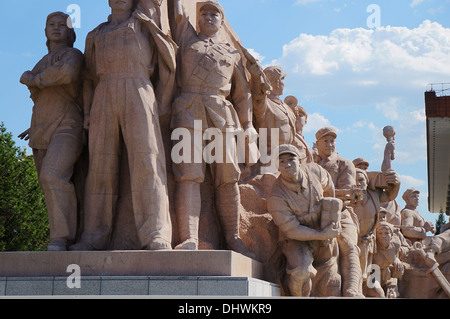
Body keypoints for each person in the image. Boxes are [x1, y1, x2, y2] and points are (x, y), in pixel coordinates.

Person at [71, 0, 175, 251]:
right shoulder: (95, 34)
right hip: (104, 92)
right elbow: (87, 77)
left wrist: (162, 103)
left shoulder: (144, 24)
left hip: (138, 88)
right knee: (100, 165)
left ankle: (156, 233)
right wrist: (87, 110)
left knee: (147, 161)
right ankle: (94, 236)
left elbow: (167, 60)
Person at [170, 0, 256, 257]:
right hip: (188, 111)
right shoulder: (186, 38)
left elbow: (243, 95)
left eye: (214, 14)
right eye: (204, 13)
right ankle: (189, 238)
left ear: (221, 20)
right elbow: (176, 11)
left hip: (221, 114)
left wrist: (249, 125)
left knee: (227, 179)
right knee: (188, 176)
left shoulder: (232, 54)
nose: (208, 17)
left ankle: (233, 237)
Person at [19, 12, 84, 251]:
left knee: (52, 174)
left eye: (62, 25)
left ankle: (62, 237)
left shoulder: (73, 55)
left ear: (70, 31)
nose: (56, 28)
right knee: (47, 182)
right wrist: (33, 125)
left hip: (68, 125)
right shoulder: (41, 61)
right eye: (51, 25)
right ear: (45, 31)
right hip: (41, 129)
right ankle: (64, 235)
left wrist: (33, 80)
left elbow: (66, 74)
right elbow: (45, 100)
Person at [268, 144, 342, 297]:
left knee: (332, 269)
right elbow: (292, 230)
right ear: (278, 167)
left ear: (300, 160)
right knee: (302, 271)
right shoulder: (276, 197)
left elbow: (329, 187)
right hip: (295, 239)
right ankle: (296, 295)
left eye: (291, 159)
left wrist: (333, 215)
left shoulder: (315, 171)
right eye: (282, 162)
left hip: (322, 230)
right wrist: (321, 234)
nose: (287, 164)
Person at [314, 126, 364, 297]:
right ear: (317, 143)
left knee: (349, 245)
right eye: (325, 141)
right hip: (313, 212)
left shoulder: (344, 164)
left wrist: (323, 193)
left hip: (340, 212)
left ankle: (352, 288)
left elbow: (348, 193)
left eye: (332, 141)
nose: (329, 144)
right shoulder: (310, 163)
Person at [351, 168, 400, 287]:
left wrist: (397, 184)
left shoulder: (374, 194)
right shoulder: (348, 195)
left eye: (361, 180)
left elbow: (389, 195)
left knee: (364, 277)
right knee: (352, 274)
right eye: (355, 180)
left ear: (367, 181)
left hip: (368, 242)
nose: (358, 183)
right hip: (352, 242)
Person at [284, 95, 314, 164]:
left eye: (300, 115)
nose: (296, 116)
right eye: (294, 114)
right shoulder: (287, 136)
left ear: (305, 121)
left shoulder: (303, 140)